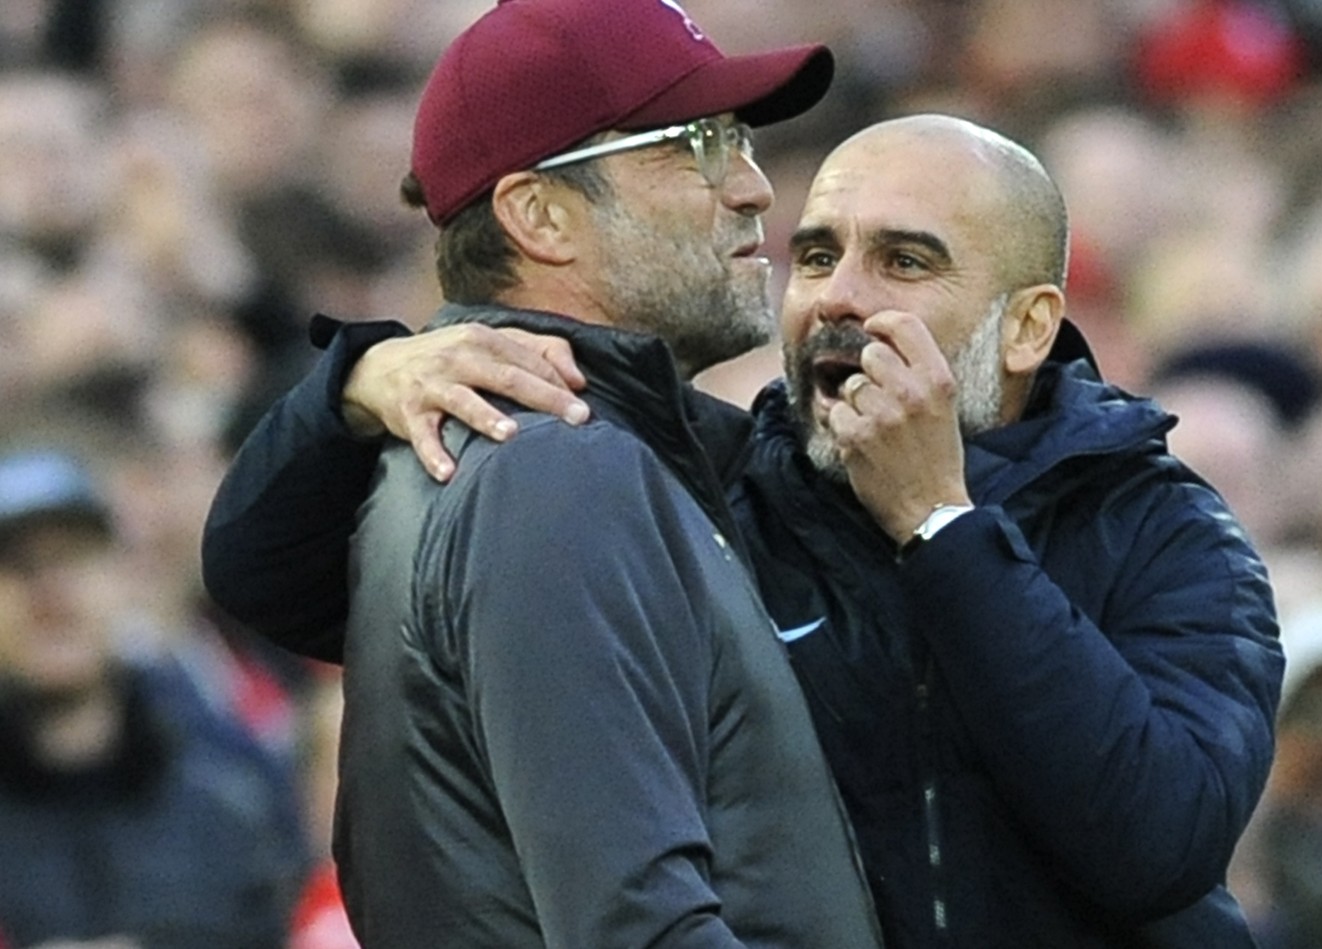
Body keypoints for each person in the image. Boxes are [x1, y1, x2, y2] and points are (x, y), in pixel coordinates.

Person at [204, 112, 1284, 946]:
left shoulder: (1167, 530)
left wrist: (941, 525)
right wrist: (359, 380)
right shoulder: (719, 486)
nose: (838, 299)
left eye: (905, 262)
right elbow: (272, 579)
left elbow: (1157, 841)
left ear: (1030, 327)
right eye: (815, 257)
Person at [206, 1, 886, 948]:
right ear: (538, 215)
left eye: (738, 140)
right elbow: (639, 927)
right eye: (695, 145)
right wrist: (349, 382)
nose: (752, 188)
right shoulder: (557, 469)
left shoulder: (591, 452)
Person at [0, 447, 304, 949]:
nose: (49, 590)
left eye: (71, 558)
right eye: (17, 566)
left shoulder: (235, 779)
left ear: (122, 576)